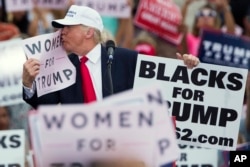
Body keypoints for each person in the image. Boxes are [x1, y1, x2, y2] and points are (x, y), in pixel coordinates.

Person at [22, 5, 200, 109]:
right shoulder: (61, 67)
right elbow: (46, 106)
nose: (62, 32)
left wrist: (185, 69)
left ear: (89, 32)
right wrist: (28, 84)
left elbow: (162, 84)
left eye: (69, 27)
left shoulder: (125, 59)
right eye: (62, 28)